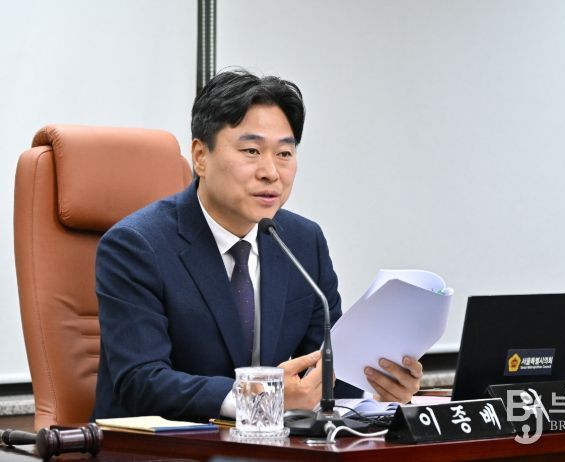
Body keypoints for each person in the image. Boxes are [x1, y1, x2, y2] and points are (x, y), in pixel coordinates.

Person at [91, 69, 423, 421]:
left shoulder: (302, 242)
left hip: (269, 443)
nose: (271, 172)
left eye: (284, 153)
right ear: (200, 156)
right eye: (251, 150)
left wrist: (378, 385)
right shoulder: (136, 246)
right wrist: (261, 396)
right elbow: (141, 381)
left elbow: (324, 373)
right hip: (162, 444)